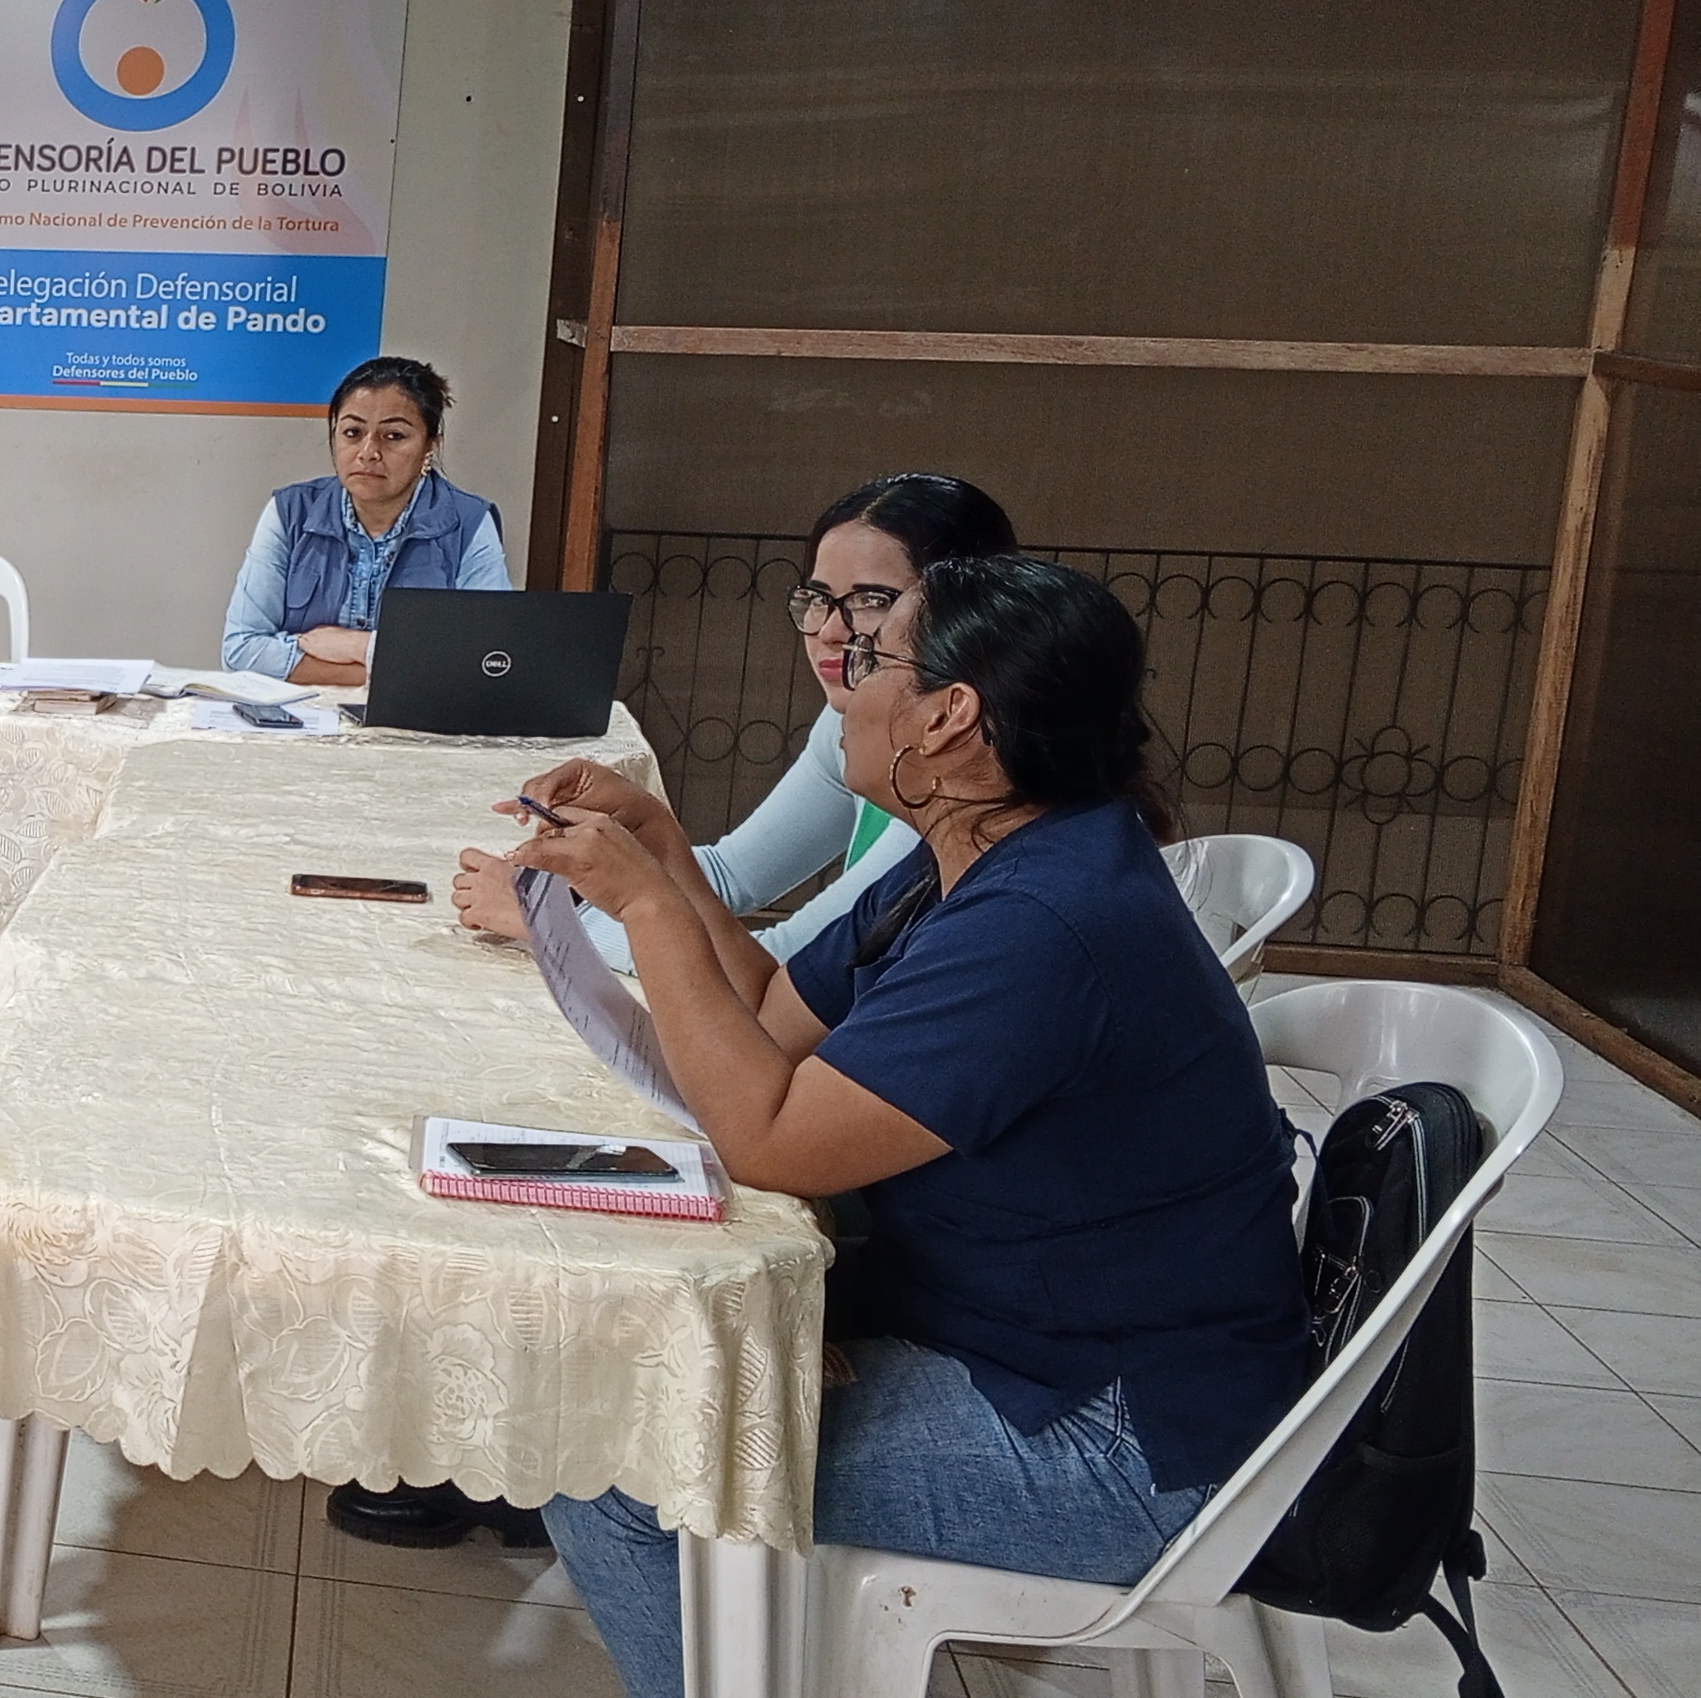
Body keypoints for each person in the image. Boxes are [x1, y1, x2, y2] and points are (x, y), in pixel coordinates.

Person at [489, 554, 1309, 1698]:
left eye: (873, 655)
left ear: (947, 716)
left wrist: (640, 907)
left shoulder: (1042, 924)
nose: (840, 674)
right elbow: (772, 1019)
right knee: (644, 1365)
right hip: (1030, 1343)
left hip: (1120, 1440)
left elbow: (771, 1137)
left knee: (614, 1462)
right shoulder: (979, 855)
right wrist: (667, 854)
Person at [447, 472, 1020, 969]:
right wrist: (590, 873)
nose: (829, 630)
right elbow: (729, 878)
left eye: (872, 600)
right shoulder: (847, 719)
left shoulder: (967, 777)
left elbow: (783, 969)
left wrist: (552, 924)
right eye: (818, 598)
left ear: (964, 615)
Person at [220, 356, 514, 686]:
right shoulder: (291, 512)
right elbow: (241, 649)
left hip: (416, 716)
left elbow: (489, 658)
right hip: (300, 713)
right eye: (353, 432)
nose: (368, 451)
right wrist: (391, 670)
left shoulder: (469, 524)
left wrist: (360, 646)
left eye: (394, 436)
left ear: (430, 446)